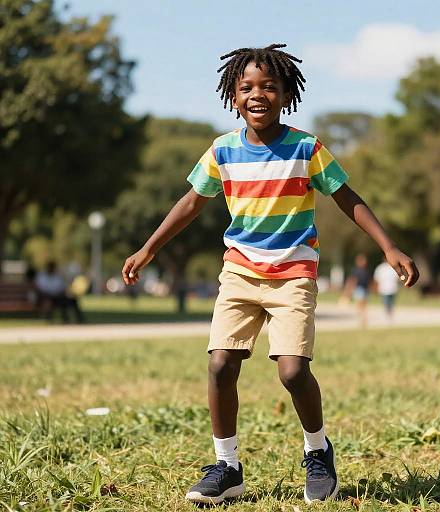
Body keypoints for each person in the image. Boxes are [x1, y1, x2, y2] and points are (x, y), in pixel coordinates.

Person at [122, 44, 419, 505]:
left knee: (293, 371)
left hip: (294, 272)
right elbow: (190, 204)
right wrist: (147, 249)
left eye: (268, 86)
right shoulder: (221, 151)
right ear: (233, 97)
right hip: (239, 271)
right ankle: (227, 467)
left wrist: (389, 246)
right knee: (221, 363)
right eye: (246, 87)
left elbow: (347, 197)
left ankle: (318, 452)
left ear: (286, 94)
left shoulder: (306, 148)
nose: (257, 94)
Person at [344, 254, 371, 327]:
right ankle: (361, 318)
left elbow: (369, 281)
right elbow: (353, 280)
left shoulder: (366, 271)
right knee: (360, 304)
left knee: (364, 305)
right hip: (359, 289)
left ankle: (363, 317)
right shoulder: (356, 271)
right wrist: (349, 290)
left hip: (365, 289)